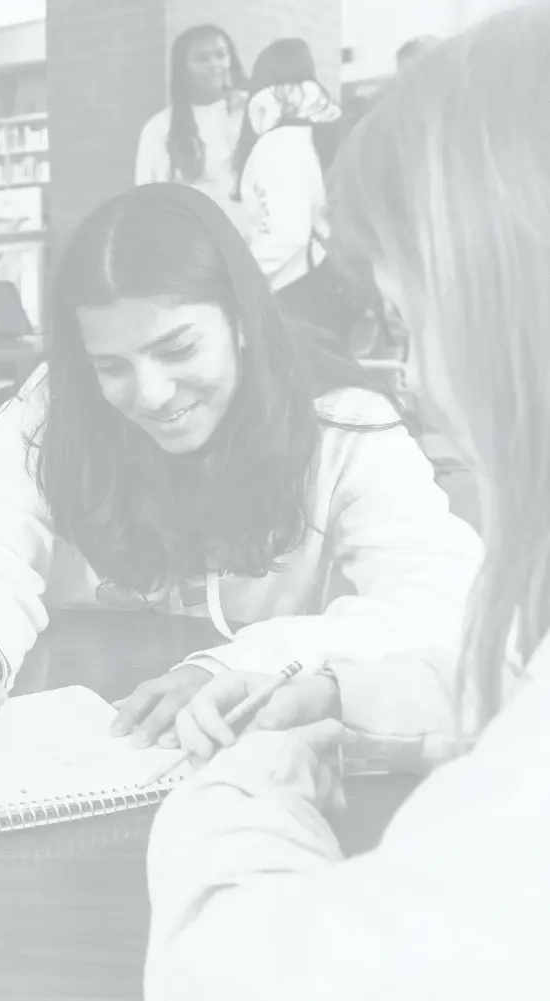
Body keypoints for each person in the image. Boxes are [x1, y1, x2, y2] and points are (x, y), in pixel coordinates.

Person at [144, 6, 550, 999]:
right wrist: (351, 697)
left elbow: (225, 974)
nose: (419, 378)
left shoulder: (349, 422)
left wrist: (236, 787)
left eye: (412, 323)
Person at [0, 183, 480, 752]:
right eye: (112, 366)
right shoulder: (52, 411)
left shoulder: (342, 423)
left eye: (178, 350)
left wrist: (236, 667)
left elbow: (442, 603)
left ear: (242, 320)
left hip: (259, 745)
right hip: (79, 742)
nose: (151, 394)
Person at [233, 38, 341, 294]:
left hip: (290, 290)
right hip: (322, 282)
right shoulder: (318, 133)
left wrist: (234, 285)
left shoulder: (278, 143)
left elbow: (285, 236)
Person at [135, 24, 247, 228]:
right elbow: (146, 199)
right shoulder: (159, 128)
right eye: (201, 58)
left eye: (221, 55)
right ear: (183, 68)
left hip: (255, 246)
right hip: (194, 243)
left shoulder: (255, 112)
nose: (214, 64)